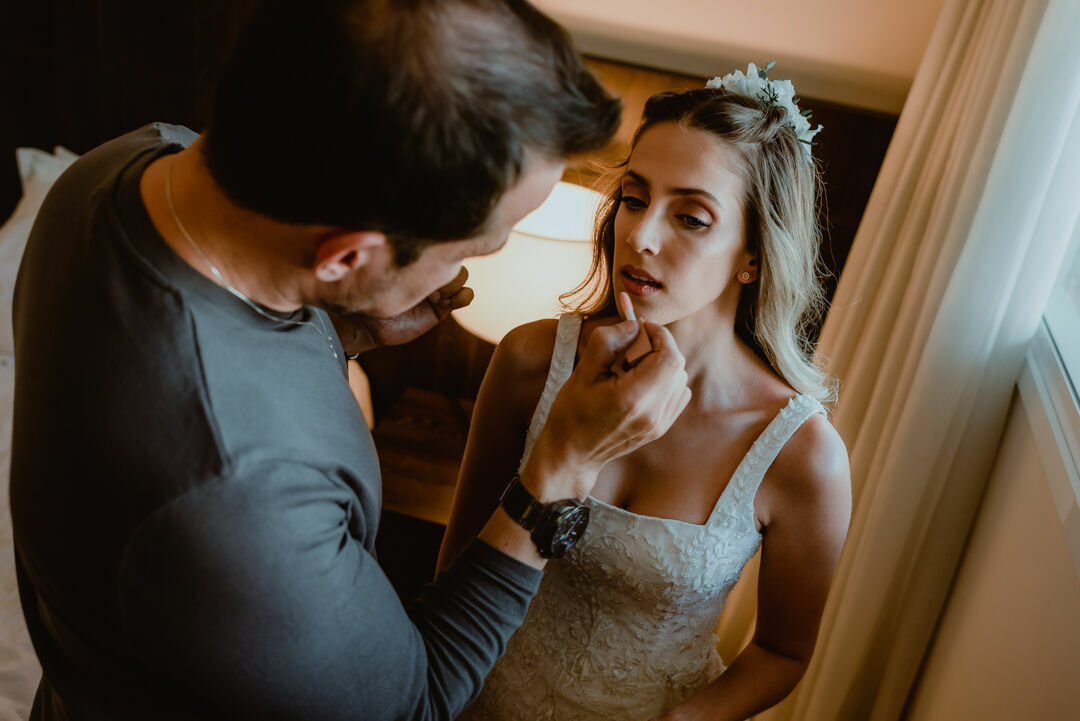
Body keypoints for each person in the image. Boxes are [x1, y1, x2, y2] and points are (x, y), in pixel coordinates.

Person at [9, 1, 694, 719]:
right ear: (346, 255)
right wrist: (559, 469)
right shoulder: (236, 496)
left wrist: (341, 331)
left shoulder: (117, 167)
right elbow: (413, 703)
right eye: (475, 249)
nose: (465, 271)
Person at [437, 64, 853, 721]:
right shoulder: (528, 361)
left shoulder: (802, 454)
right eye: (634, 197)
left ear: (754, 254)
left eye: (690, 216)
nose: (641, 234)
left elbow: (782, 649)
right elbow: (458, 570)